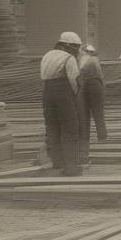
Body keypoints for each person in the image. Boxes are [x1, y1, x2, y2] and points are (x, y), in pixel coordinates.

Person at [40, 31, 83, 176]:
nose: (77, 50)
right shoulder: (68, 58)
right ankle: (71, 166)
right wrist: (76, 98)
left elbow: (43, 77)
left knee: (52, 127)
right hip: (63, 93)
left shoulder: (47, 55)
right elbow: (74, 80)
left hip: (46, 93)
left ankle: (57, 163)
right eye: (75, 47)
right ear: (67, 46)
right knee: (70, 128)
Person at [76, 44, 107, 165]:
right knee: (98, 112)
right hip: (95, 85)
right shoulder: (94, 60)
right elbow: (99, 74)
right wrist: (103, 86)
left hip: (83, 86)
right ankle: (102, 136)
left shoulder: (78, 60)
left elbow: (77, 75)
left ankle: (85, 137)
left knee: (84, 114)